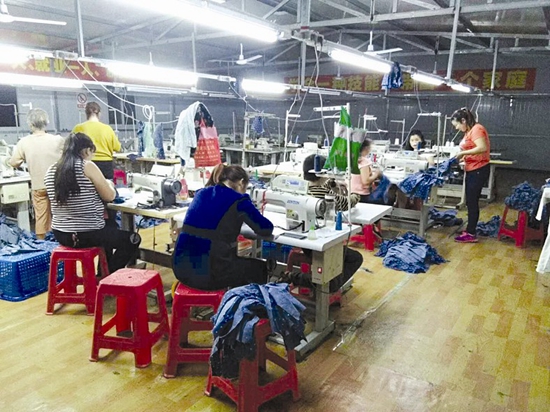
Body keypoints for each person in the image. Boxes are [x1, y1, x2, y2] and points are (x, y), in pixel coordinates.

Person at [44, 133, 140, 273]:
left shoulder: (51, 170)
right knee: (132, 239)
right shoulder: (87, 166)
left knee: (109, 227)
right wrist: (109, 184)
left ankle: (103, 271)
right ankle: (109, 275)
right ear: (87, 150)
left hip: (61, 234)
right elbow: (110, 196)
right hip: (88, 234)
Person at [172, 164, 274, 290]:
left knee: (234, 262)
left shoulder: (201, 193)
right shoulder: (239, 200)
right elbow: (265, 229)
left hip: (180, 269)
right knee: (259, 268)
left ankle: (233, 297)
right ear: (241, 182)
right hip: (208, 276)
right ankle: (238, 301)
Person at [300, 154, 364, 293]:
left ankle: (306, 279)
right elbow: (347, 203)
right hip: (319, 241)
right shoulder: (326, 193)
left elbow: (321, 187)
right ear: (323, 173)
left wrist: (331, 184)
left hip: (303, 240)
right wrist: (355, 194)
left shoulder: (301, 189)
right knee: (356, 258)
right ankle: (327, 286)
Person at [9, 108, 64, 239]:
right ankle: (62, 242)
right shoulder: (58, 140)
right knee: (62, 215)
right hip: (58, 185)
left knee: (41, 217)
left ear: (30, 124)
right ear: (46, 122)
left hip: (39, 186)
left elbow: (14, 163)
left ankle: (41, 243)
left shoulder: (24, 142)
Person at [451, 107, 491, 243]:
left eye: (457, 125)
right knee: (470, 201)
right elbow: (473, 149)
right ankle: (470, 229)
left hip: (478, 170)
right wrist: (465, 158)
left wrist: (462, 153)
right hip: (473, 168)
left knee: (472, 202)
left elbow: (482, 147)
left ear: (463, 120)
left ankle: (471, 233)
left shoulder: (477, 129)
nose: (456, 128)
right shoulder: (469, 131)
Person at [72, 102, 121, 180]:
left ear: (86, 114)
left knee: (86, 187)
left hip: (85, 164)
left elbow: (70, 147)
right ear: (99, 114)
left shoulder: (78, 128)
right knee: (107, 186)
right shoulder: (107, 129)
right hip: (105, 165)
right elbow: (117, 148)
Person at [350, 139, 384, 204]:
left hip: (351, 193)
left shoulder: (352, 159)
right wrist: (376, 174)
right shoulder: (364, 161)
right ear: (366, 148)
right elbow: (365, 181)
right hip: (361, 195)